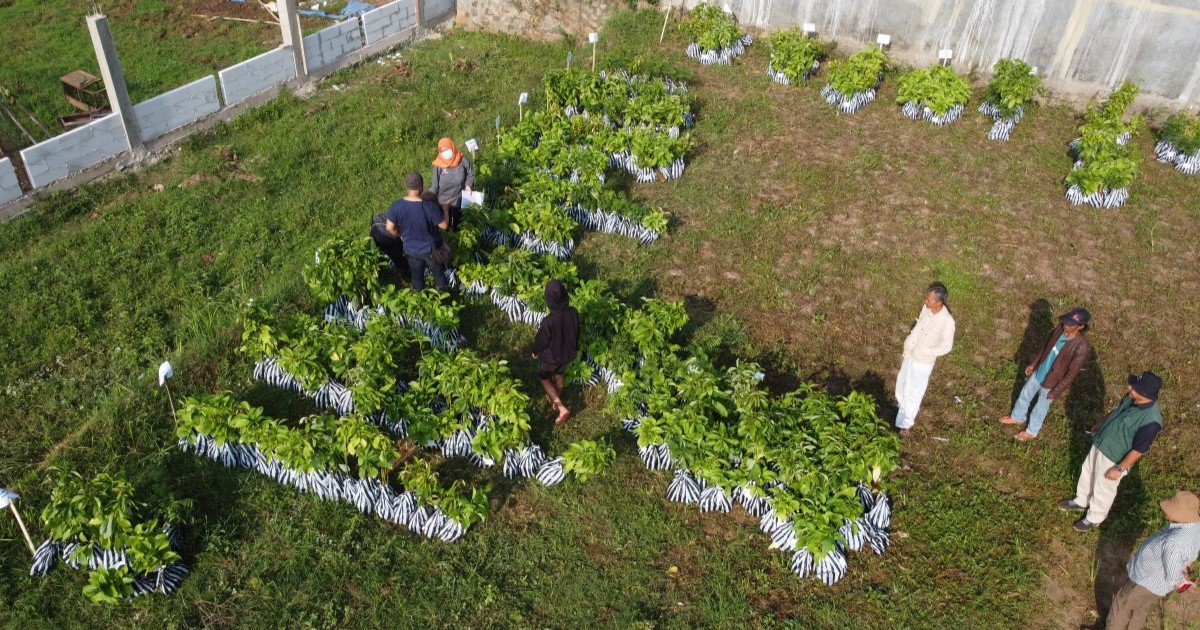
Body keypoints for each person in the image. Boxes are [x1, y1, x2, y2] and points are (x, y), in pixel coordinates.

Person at [1060, 371, 1164, 532]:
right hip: (1101, 442)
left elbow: (1138, 450)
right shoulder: (1131, 397)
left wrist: (1120, 468)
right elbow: (1115, 412)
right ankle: (1081, 500)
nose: (1129, 387)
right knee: (1087, 471)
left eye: (1134, 387)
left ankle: (1094, 517)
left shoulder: (1151, 421)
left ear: (1145, 393)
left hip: (1114, 458)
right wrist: (1100, 423)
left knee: (1104, 487)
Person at [1105, 490, 1200, 630]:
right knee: (1141, 608)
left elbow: (1173, 572)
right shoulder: (1195, 526)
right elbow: (1193, 552)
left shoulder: (1174, 541)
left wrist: (1180, 581)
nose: (1165, 510)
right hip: (1157, 586)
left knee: (1122, 605)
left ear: (1181, 515)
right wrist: (1186, 567)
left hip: (1144, 580)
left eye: (1169, 509)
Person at [1001, 307, 1092, 441]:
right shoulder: (1060, 329)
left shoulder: (1081, 347)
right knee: (1026, 393)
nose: (1066, 325)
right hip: (1040, 370)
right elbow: (1046, 347)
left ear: (1081, 327)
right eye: (1066, 322)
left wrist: (1056, 391)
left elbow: (1071, 375)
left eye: (1071, 325)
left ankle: (1032, 431)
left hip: (1053, 381)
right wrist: (1034, 364)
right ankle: (1017, 416)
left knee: (1041, 406)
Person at [894, 283, 956, 437]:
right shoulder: (927, 309)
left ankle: (905, 423)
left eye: (929, 299)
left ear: (938, 302)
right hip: (911, 354)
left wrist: (928, 351)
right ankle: (901, 407)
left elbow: (946, 346)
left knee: (914, 391)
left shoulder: (947, 322)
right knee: (902, 382)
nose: (925, 301)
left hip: (922, 361)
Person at [385, 171, 449, 291]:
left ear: (407, 186)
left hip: (411, 249)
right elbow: (444, 226)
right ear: (421, 186)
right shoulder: (429, 206)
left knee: (417, 277)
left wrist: (400, 235)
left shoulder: (397, 205)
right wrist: (445, 210)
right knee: (438, 274)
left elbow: (389, 227)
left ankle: (419, 300)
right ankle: (444, 299)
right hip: (430, 250)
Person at [531, 280, 579, 426]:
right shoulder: (573, 312)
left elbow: (541, 340)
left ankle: (561, 407)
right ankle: (554, 399)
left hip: (552, 357)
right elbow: (577, 331)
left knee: (544, 378)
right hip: (568, 354)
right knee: (559, 375)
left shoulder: (548, 321)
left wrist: (535, 350)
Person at [430, 138, 474, 229]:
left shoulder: (462, 160)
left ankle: (458, 234)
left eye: (447, 149)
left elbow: (470, 172)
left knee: (459, 221)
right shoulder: (438, 165)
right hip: (443, 200)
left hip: (458, 197)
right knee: (445, 224)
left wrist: (468, 185)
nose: (445, 152)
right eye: (442, 150)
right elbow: (434, 186)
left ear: (452, 147)